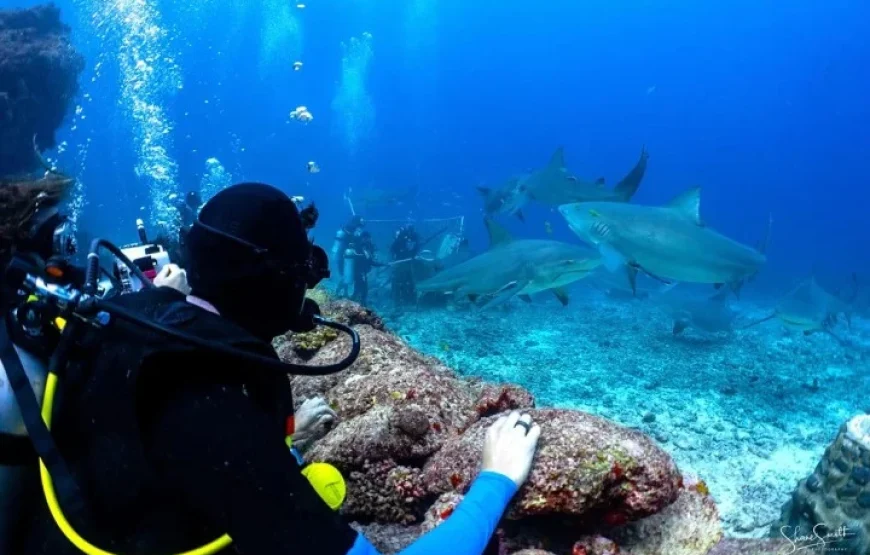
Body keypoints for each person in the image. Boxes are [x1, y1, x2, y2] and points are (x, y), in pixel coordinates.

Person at [12, 182, 542, 555]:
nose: (307, 288)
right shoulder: (206, 404)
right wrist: (495, 479)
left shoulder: (138, 323)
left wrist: (281, 443)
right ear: (277, 279)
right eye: (301, 270)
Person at [346, 230, 386, 305]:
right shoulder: (359, 249)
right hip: (359, 272)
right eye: (368, 238)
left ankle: (354, 302)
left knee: (359, 288)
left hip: (362, 272)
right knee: (363, 290)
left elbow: (371, 262)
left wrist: (382, 264)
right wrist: (361, 272)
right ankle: (360, 304)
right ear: (364, 238)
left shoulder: (365, 249)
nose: (370, 240)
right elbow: (364, 262)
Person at [332, 214, 365, 295]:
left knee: (346, 274)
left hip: (345, 255)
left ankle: (343, 292)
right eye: (361, 221)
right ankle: (341, 291)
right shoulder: (353, 230)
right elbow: (356, 242)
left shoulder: (348, 228)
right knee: (347, 274)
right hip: (347, 256)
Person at [390, 223, 421, 306]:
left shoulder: (415, 236)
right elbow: (393, 248)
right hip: (400, 262)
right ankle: (397, 300)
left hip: (409, 261)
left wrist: (415, 255)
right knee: (399, 280)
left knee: (410, 279)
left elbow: (417, 247)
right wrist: (397, 256)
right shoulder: (401, 237)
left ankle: (410, 298)